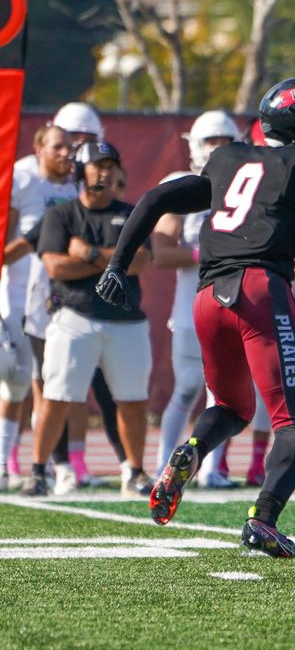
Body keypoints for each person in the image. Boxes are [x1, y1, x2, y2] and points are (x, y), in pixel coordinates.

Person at [96, 76, 295, 557]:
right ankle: (264, 519)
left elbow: (155, 199)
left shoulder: (228, 158)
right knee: (293, 420)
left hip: (209, 295)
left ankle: (191, 450)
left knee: (234, 407)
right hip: (260, 290)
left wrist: (116, 264)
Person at [20, 142, 154, 498]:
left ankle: (135, 472)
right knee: (57, 396)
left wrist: (89, 254)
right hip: (74, 316)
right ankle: (38, 471)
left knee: (133, 401)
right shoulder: (60, 216)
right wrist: (113, 261)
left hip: (126, 320)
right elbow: (55, 266)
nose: (105, 172)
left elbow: (140, 261)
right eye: (97, 165)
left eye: (111, 165)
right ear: (80, 171)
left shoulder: (131, 213)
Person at [151, 110, 246, 488]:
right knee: (189, 384)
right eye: (211, 141)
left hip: (233, 302)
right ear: (194, 145)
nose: (218, 149)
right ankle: (163, 464)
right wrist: (206, 254)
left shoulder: (247, 184)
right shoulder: (181, 184)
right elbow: (162, 251)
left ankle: (212, 469)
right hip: (190, 304)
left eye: (225, 141)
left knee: (224, 392)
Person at [0, 126, 76, 491]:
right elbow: (6, 243)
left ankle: (47, 465)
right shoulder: (24, 178)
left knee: (50, 384)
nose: (66, 153)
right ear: (39, 148)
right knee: (17, 382)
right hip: (18, 295)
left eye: (70, 147)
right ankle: (7, 460)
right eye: (58, 146)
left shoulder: (78, 186)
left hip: (59, 299)